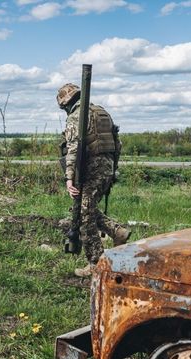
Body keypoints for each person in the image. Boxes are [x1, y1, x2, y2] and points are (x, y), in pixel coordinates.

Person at [57, 83, 130, 278]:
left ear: (66, 103)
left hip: (91, 169)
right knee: (85, 209)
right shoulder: (101, 112)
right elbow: (117, 143)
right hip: (107, 166)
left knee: (85, 218)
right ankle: (118, 232)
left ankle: (96, 263)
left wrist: (69, 178)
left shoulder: (77, 117)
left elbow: (73, 147)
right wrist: (113, 169)